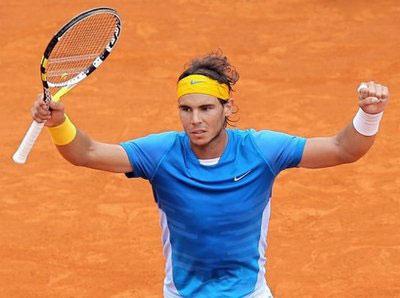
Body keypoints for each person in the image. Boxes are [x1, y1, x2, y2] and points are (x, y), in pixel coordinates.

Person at [31, 52, 389, 298]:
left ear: (228, 107)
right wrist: (60, 122)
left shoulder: (261, 151)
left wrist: (369, 114)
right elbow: (87, 153)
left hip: (248, 292)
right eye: (185, 109)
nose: (195, 120)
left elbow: (344, 149)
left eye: (206, 108)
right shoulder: (160, 154)